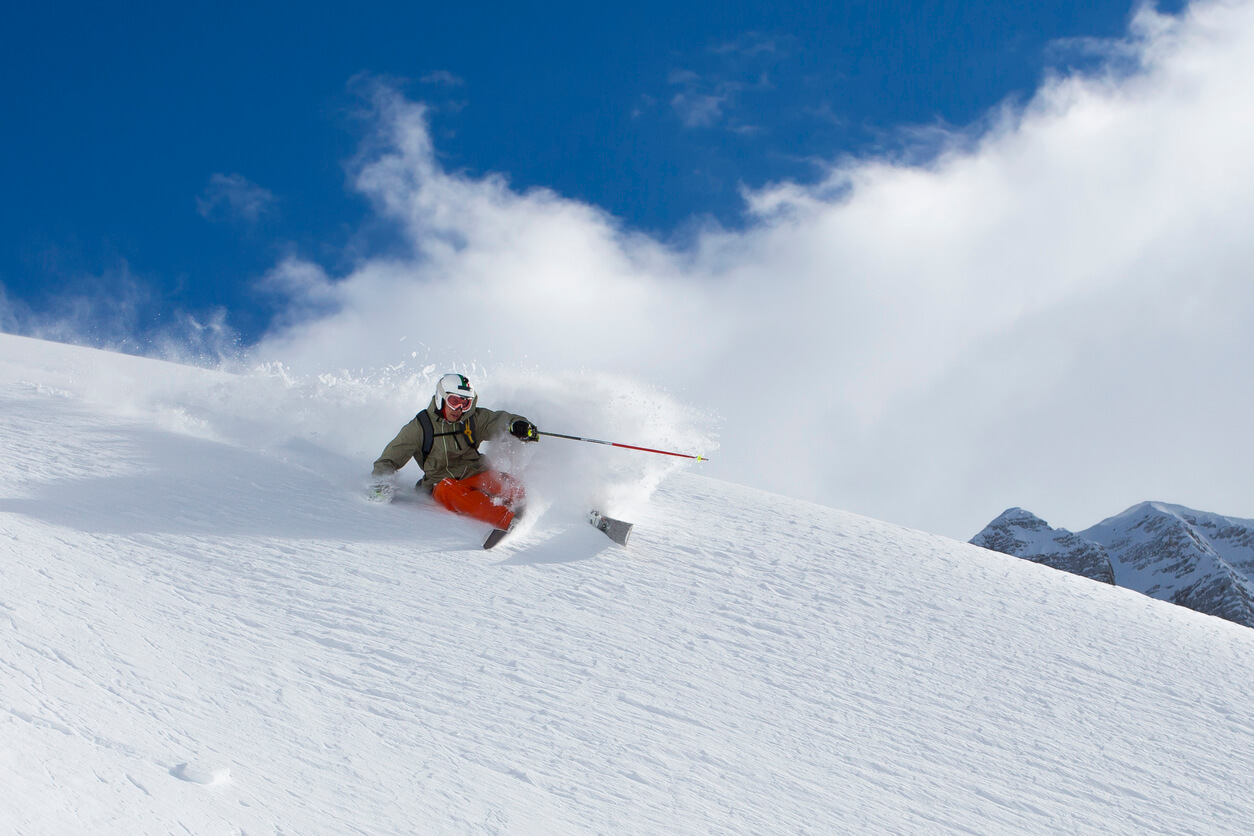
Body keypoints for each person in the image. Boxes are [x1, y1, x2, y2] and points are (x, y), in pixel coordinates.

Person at [370, 373, 539, 533]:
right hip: (442, 482)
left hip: (476, 472)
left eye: (465, 403)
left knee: (516, 491)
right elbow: (389, 459)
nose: (459, 409)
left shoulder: (471, 419)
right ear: (440, 398)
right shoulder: (420, 427)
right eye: (454, 401)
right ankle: (508, 520)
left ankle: (525, 507)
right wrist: (381, 484)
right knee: (454, 493)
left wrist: (517, 426)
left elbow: (498, 421)